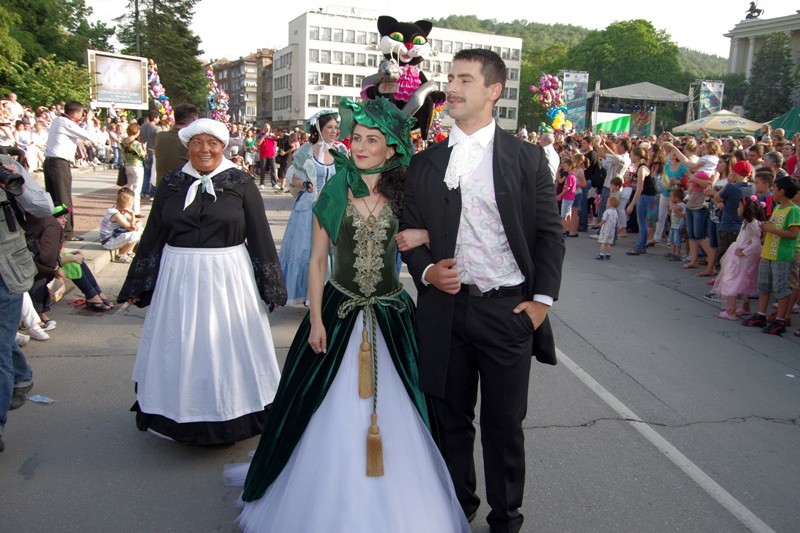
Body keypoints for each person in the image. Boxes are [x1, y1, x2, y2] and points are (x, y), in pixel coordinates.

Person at [227, 96, 468, 532]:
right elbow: (318, 261)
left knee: (405, 413)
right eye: (356, 137)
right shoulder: (336, 188)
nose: (359, 146)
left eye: (372, 140)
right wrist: (317, 320)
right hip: (338, 313)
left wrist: (426, 234)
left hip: (392, 316)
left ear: (392, 148)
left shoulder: (408, 193)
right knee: (320, 411)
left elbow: (448, 231)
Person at [400, 49, 565, 533]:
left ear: (493, 91)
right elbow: (409, 233)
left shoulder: (526, 158)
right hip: (445, 312)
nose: (451, 88)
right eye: (450, 78)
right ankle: (457, 507)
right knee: (450, 420)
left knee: (504, 426)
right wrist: (427, 272)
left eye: (465, 80)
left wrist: (540, 303)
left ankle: (506, 519)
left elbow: (549, 234)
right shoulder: (425, 162)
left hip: (507, 311)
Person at [117, 118, 286, 445]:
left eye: (212, 143)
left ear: (223, 147)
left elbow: (260, 234)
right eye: (197, 142)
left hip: (229, 278)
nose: (204, 149)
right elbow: (154, 233)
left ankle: (232, 416)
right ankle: (177, 416)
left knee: (226, 345)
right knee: (179, 344)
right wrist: (139, 283)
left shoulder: (241, 182)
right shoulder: (171, 182)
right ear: (187, 146)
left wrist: (272, 285)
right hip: (178, 277)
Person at [279, 109, 346, 306]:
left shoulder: (340, 152)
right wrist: (305, 184)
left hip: (331, 208)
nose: (334, 131)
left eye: (336, 127)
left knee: (329, 251)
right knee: (305, 250)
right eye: (330, 127)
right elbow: (292, 177)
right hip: (307, 208)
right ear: (319, 128)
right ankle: (307, 295)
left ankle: (325, 296)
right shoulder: (306, 152)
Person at [0, 160, 41, 453]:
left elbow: (44, 208)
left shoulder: (7, 166)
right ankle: (22, 375)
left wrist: (17, 185)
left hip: (6, 275)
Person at [742, 176, 800, 335]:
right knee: (764, 285)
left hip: (781, 254)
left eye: (775, 189)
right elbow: (774, 226)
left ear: (782, 191)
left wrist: (771, 230)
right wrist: (766, 228)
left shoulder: (793, 210)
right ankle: (761, 314)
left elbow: (793, 234)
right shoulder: (778, 208)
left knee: (781, 288)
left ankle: (781, 320)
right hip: (769, 251)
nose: (772, 192)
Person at [42, 101, 102, 241]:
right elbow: (90, 136)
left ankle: (56, 230)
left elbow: (80, 132)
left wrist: (86, 122)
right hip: (59, 164)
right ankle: (67, 232)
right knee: (64, 199)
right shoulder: (64, 122)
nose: (82, 115)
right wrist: (89, 120)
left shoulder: (59, 120)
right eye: (81, 113)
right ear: (75, 114)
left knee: (54, 199)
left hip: (51, 162)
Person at [713, 195, 765, 320]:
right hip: (739, 254)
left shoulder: (752, 224)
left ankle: (731, 310)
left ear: (746, 208)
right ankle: (745, 307)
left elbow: (756, 243)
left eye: (739, 206)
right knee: (743, 281)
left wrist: (744, 252)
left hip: (741, 257)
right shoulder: (748, 222)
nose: (737, 208)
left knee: (732, 280)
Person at [153, 103, 199, 186]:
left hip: (162, 187)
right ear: (194, 120)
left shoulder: (160, 137)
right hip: (184, 189)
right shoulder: (191, 140)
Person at [625, 146, 657, 256]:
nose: (630, 157)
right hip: (648, 196)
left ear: (637, 156)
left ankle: (638, 247)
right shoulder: (643, 167)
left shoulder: (642, 169)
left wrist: (631, 205)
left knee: (642, 223)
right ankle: (642, 246)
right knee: (644, 223)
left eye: (632, 155)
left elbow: (640, 188)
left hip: (645, 197)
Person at [99, 187, 141, 262]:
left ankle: (129, 252)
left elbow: (136, 224)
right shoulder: (116, 215)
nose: (131, 208)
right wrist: (132, 214)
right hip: (107, 241)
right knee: (134, 235)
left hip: (113, 237)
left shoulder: (118, 210)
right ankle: (120, 255)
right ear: (125, 207)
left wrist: (136, 224)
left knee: (138, 231)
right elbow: (132, 228)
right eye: (131, 206)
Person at [121, 122, 147, 218]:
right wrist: (144, 149)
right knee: (137, 189)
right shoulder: (136, 144)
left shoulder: (123, 141)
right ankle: (136, 211)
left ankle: (127, 208)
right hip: (137, 166)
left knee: (129, 188)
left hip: (127, 165)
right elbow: (144, 156)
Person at [139, 111, 159, 200]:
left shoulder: (143, 127)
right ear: (154, 118)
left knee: (147, 173)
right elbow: (159, 141)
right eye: (158, 118)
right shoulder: (156, 129)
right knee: (154, 174)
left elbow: (140, 138)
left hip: (145, 151)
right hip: (154, 152)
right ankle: (152, 192)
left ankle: (144, 191)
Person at [665, 187, 687, 261]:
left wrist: (677, 211)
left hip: (678, 225)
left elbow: (684, 215)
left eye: (671, 196)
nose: (670, 198)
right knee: (672, 239)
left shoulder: (682, 205)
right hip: (673, 225)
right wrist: (668, 209)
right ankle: (672, 252)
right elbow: (670, 214)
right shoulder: (676, 205)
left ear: (676, 198)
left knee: (677, 240)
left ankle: (677, 254)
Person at [596, 195, 620, 260]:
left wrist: (600, 224)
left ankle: (601, 254)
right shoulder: (616, 212)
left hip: (605, 230)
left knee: (603, 242)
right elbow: (617, 222)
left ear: (610, 203)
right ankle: (608, 254)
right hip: (612, 231)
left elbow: (604, 219)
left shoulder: (607, 212)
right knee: (609, 243)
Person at [257, 123, 278, 190]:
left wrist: (276, 149)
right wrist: (264, 136)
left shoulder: (272, 135)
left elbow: (276, 142)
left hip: (271, 154)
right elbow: (258, 143)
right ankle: (262, 183)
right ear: (263, 128)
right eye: (266, 128)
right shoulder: (260, 135)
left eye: (268, 128)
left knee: (273, 168)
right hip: (263, 154)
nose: (268, 129)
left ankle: (274, 184)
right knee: (262, 169)